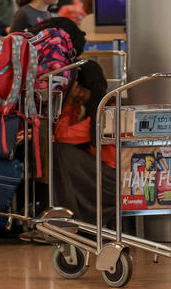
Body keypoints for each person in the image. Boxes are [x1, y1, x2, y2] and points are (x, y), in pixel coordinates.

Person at [51, 61, 116, 224]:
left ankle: (65, 219)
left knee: (59, 152)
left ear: (80, 87)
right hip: (110, 174)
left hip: (113, 179)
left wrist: (69, 103)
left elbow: (61, 135)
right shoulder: (99, 109)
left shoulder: (104, 115)